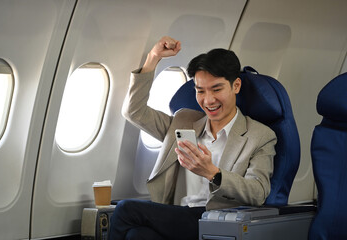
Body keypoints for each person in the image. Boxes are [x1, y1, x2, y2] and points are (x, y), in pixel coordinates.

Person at [109, 36, 277, 240]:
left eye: (216, 89)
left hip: (214, 221)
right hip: (176, 216)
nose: (208, 100)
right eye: (200, 91)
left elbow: (258, 192)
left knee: (127, 209)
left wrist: (213, 173)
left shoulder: (259, 136)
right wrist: (153, 58)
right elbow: (134, 112)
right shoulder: (184, 121)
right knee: (137, 235)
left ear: (236, 86)